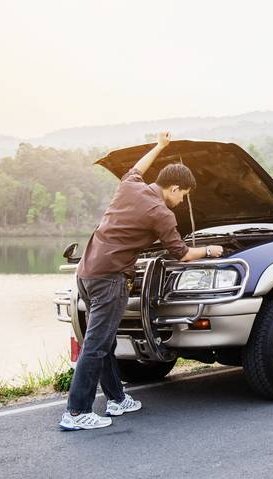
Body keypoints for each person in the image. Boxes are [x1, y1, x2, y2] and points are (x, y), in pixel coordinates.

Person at [59, 131, 223, 431]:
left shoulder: (130, 186)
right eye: (183, 195)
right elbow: (182, 253)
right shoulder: (161, 213)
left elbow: (138, 167)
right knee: (96, 345)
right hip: (109, 279)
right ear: (174, 188)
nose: (181, 201)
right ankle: (76, 411)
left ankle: (117, 399)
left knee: (104, 342)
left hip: (86, 272)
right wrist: (210, 250)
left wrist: (160, 146)